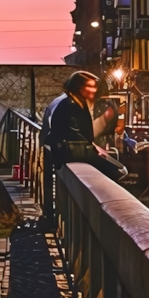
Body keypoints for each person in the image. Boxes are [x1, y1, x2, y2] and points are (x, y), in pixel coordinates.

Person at [41, 70, 126, 218]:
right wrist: (90, 147)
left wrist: (91, 146)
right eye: (89, 86)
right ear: (78, 87)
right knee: (115, 170)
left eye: (94, 87)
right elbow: (72, 132)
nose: (93, 90)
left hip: (65, 149)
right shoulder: (70, 104)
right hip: (69, 151)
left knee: (111, 164)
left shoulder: (68, 100)